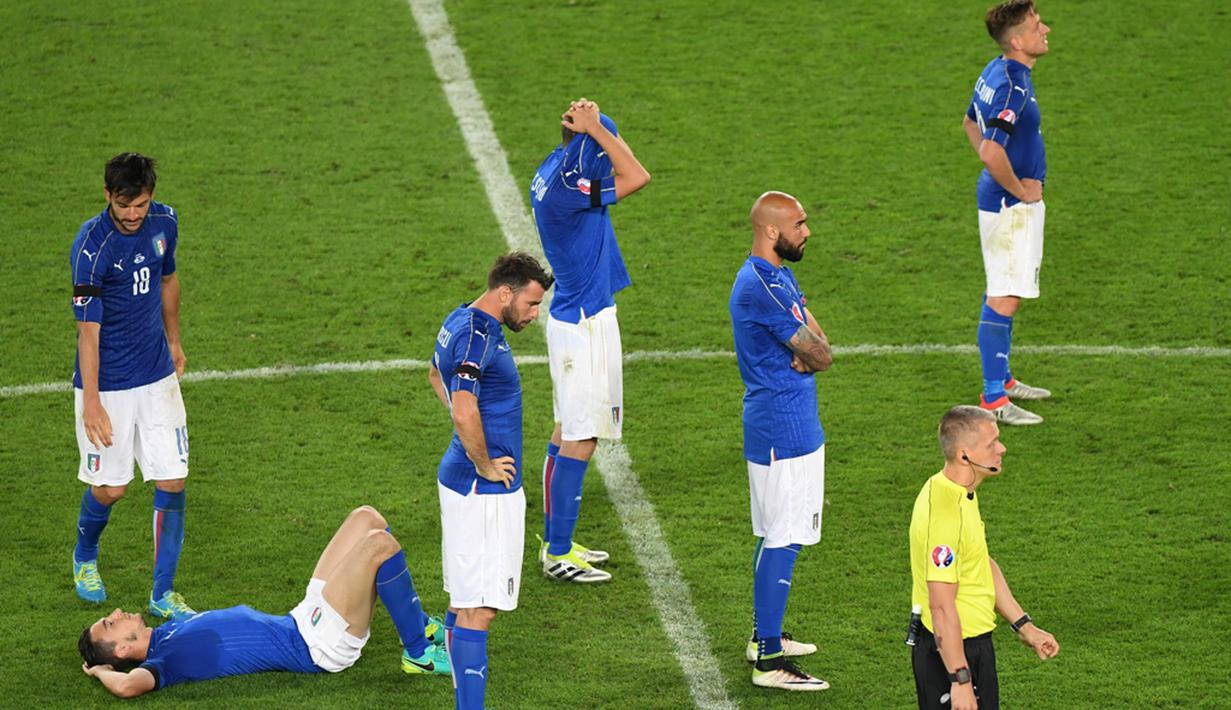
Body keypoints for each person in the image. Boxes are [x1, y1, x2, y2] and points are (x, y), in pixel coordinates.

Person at [78, 505, 451, 698]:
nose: (115, 614)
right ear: (123, 651)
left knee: (366, 518)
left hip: (300, 617)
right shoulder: (163, 662)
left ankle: (419, 624)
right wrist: (101, 671)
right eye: (111, 625)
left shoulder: (166, 632)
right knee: (380, 546)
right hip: (317, 644)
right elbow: (128, 687)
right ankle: (418, 653)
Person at [528, 97, 651, 583]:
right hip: (583, 325)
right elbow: (637, 175)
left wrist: (596, 128)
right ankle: (558, 553)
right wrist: (597, 129)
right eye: (602, 143)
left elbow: (622, 158)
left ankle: (556, 541)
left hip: (579, 320)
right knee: (581, 438)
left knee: (567, 432)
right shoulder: (567, 188)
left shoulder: (559, 166)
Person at [69, 153, 195, 619]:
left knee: (173, 480)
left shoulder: (165, 223)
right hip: (110, 384)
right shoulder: (91, 249)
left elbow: (168, 280)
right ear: (108, 196)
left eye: (140, 204)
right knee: (112, 488)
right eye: (124, 205)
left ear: (151, 197)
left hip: (157, 374)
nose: (132, 214)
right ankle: (84, 556)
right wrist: (93, 404)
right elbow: (88, 331)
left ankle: (163, 593)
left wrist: (175, 342)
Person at [427, 252, 552, 710]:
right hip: (483, 490)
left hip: (460, 481)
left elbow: (433, 375)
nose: (534, 314)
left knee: (464, 600)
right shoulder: (479, 335)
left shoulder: (459, 317)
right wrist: (482, 460)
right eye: (531, 303)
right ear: (505, 292)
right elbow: (462, 406)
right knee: (480, 609)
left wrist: (466, 437)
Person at [728, 191, 831, 691]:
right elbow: (821, 353)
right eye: (799, 223)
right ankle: (768, 659)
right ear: (772, 231)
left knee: (779, 530)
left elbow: (816, 339)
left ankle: (762, 635)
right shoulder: (759, 287)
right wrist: (811, 353)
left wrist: (811, 350)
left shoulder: (778, 274)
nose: (807, 230)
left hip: (791, 423)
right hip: (781, 428)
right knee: (782, 536)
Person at [909, 406, 1060, 709]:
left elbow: (979, 563)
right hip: (953, 652)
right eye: (992, 444)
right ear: (965, 455)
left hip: (968, 645)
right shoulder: (946, 516)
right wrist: (960, 681)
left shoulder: (957, 490)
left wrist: (1024, 626)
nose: (1002, 448)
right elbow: (940, 606)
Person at [961, 0, 1054, 425]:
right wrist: (1020, 190)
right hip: (1010, 205)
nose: (1046, 29)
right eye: (1037, 26)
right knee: (1005, 296)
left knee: (1003, 289)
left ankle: (1003, 379)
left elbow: (969, 124)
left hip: (1001, 200)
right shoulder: (1013, 86)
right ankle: (994, 399)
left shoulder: (995, 69)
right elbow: (991, 149)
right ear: (1017, 41)